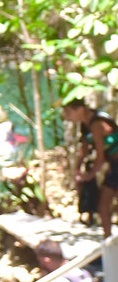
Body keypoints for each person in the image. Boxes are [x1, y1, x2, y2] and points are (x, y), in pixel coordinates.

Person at [62, 99, 118, 238]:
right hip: (114, 166)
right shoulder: (85, 125)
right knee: (103, 205)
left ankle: (109, 240)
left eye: (69, 112)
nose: (66, 116)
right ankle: (108, 243)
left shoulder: (97, 124)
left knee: (104, 204)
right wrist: (76, 169)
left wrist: (90, 175)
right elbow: (84, 150)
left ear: (81, 109)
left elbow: (99, 157)